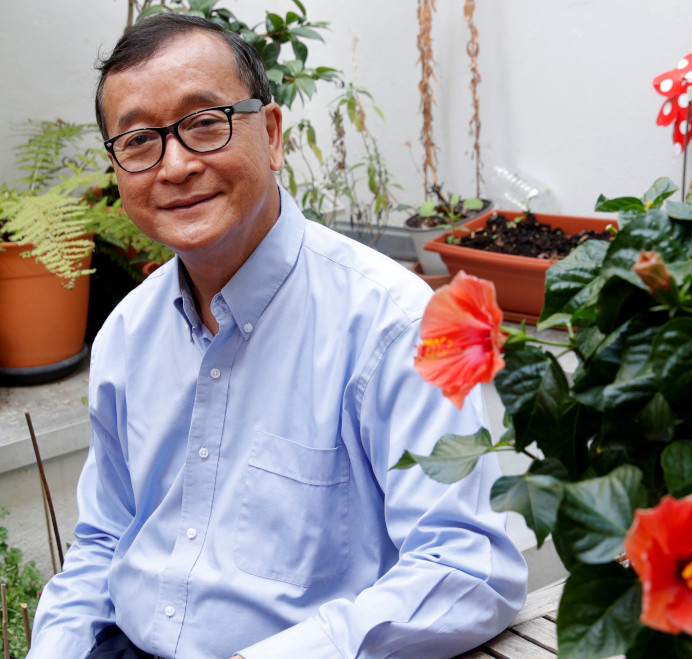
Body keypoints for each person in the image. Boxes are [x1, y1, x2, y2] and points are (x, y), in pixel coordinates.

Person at [29, 13, 527, 659]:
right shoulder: (126, 332)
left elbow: (467, 565)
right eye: (139, 141)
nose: (174, 166)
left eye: (205, 124)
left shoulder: (393, 322)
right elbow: (103, 539)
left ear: (270, 132)